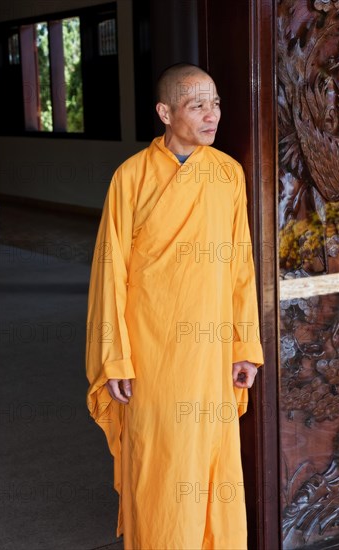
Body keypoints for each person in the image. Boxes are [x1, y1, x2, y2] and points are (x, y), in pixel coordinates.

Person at [86, 63, 264, 550]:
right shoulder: (131, 178)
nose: (213, 115)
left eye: (217, 103)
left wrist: (244, 345)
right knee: (160, 467)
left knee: (211, 463)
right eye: (197, 105)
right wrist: (115, 356)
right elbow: (110, 275)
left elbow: (240, 268)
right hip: (152, 354)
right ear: (165, 112)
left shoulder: (228, 174)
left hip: (209, 355)